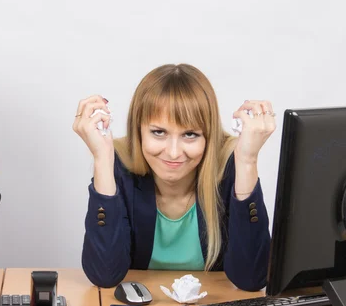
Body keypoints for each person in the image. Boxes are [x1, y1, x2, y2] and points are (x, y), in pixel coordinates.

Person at [73, 64, 274, 291]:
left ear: (209, 136)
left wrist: (248, 161)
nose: (174, 152)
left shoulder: (230, 165)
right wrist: (102, 160)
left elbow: (252, 278)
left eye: (190, 134)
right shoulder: (119, 164)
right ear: (138, 130)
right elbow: (104, 274)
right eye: (159, 132)